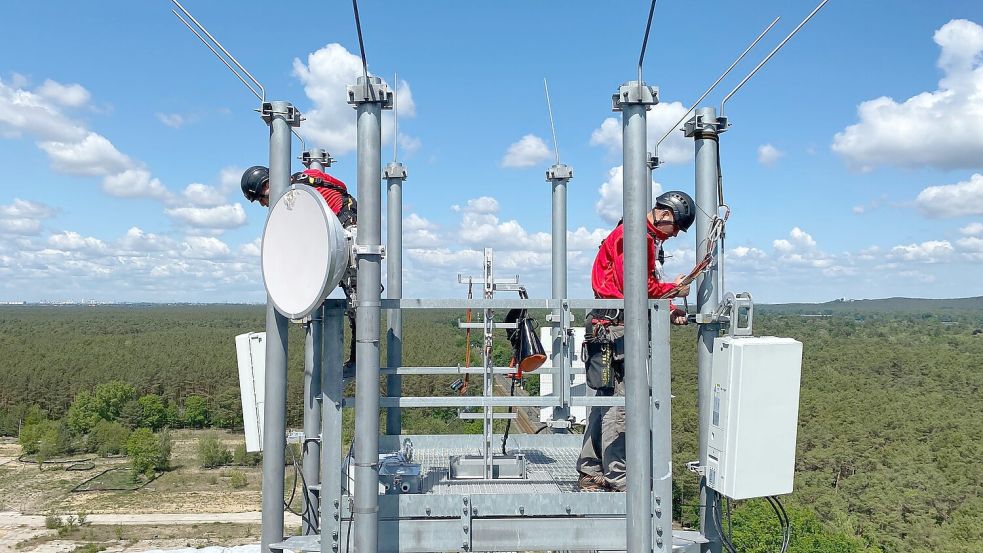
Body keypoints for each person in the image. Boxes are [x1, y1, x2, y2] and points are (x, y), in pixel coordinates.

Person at [577, 190, 695, 492]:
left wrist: (668, 309)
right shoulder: (636, 238)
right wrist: (675, 289)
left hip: (607, 324)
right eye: (676, 229)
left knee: (604, 402)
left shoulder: (635, 236)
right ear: (666, 215)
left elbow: (640, 287)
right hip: (618, 329)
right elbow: (637, 288)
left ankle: (591, 470)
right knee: (622, 404)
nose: (673, 236)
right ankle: (619, 478)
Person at [241, 165, 359, 375]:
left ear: (267, 185)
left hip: (345, 223)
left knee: (357, 299)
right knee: (350, 294)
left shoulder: (299, 192)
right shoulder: (298, 190)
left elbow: (338, 190)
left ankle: (360, 356)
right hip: (335, 228)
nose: (262, 204)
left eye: (261, 198)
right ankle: (357, 357)